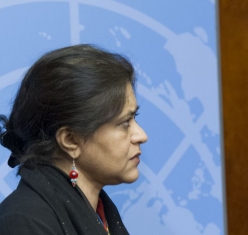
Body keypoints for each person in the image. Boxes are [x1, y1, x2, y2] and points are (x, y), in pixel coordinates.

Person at [0, 44, 148, 234]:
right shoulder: (23, 222)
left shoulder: (99, 215)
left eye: (134, 118)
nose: (141, 136)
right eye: (124, 123)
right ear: (70, 140)